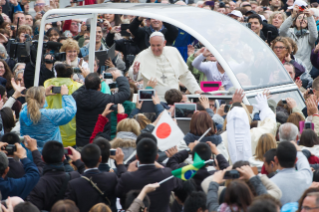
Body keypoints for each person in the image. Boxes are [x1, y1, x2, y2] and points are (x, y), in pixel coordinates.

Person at [130, 32, 202, 101]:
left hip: (175, 98)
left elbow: (185, 74)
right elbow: (134, 77)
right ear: (149, 43)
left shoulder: (173, 51)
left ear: (164, 43)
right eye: (153, 45)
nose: (155, 48)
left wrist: (196, 89)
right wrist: (135, 72)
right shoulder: (142, 55)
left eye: (158, 45)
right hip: (155, 99)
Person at [116, 138, 182, 212]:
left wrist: (121, 166)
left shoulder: (127, 177)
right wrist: (162, 168)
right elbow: (180, 186)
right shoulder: (167, 174)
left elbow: (118, 193)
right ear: (156, 157)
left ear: (137, 157)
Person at [72, 69, 130, 149]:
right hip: (102, 142)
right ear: (100, 86)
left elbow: (77, 92)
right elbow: (125, 93)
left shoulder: (76, 97)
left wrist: (88, 81)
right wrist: (119, 77)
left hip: (82, 142)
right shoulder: (106, 99)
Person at [27, 140, 82, 211]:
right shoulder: (75, 177)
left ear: (42, 158)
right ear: (63, 158)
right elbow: (88, 176)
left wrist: (34, 150)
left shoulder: (36, 184)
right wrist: (78, 161)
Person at [20, 86, 77, 154]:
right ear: (43, 99)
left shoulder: (22, 114)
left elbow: (32, 104)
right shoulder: (49, 115)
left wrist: (43, 96)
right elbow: (71, 111)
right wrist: (65, 95)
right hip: (51, 155)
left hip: (31, 154)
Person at [65, 144, 118, 212]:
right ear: (100, 159)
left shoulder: (73, 184)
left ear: (82, 160)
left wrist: (78, 161)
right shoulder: (111, 177)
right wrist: (119, 164)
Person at [44, 64, 83, 147]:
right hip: (74, 133)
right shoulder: (80, 87)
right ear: (71, 76)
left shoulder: (47, 87)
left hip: (53, 132)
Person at [279, 5, 317, 72]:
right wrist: (292, 16)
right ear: (295, 21)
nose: (302, 20)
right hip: (289, 68)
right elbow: (281, 31)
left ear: (308, 23)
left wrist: (310, 17)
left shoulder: (309, 35)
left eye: (305, 19)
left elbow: (314, 36)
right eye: (299, 17)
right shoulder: (289, 32)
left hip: (305, 69)